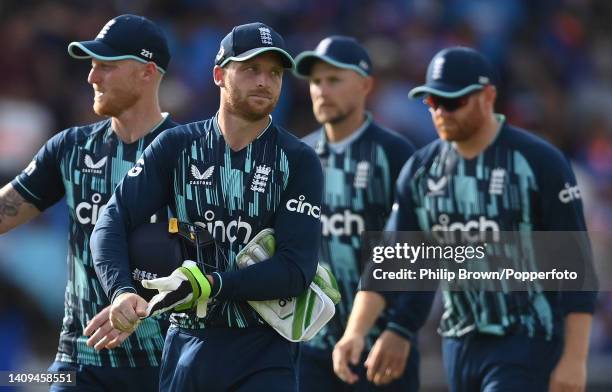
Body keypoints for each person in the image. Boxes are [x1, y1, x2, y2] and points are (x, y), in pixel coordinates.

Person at [336, 46, 597, 391]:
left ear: (488, 96)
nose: (442, 112)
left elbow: (575, 268)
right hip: (459, 342)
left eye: (453, 102)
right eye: (433, 103)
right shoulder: (421, 171)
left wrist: (575, 360)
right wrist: (354, 333)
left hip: (528, 337)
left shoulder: (538, 162)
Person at [90, 22, 323, 392]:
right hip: (187, 345)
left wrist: (210, 286)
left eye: (274, 73)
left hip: (265, 353)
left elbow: (295, 271)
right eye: (250, 69)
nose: (264, 81)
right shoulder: (176, 146)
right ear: (218, 74)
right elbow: (111, 221)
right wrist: (121, 291)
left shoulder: (299, 160)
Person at [0, 14, 178, 391]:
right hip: (80, 359)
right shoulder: (71, 148)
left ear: (147, 73)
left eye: (106, 67)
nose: (91, 77)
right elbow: (5, 210)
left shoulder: (190, 153)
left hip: (164, 361)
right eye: (92, 66)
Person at [294, 36, 421, 391]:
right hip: (312, 347)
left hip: (380, 347)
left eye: (334, 80)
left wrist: (401, 329)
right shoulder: (298, 156)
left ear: (366, 85)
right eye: (316, 81)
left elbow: (419, 249)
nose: (321, 90)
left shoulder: (395, 153)